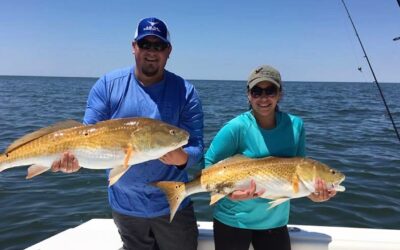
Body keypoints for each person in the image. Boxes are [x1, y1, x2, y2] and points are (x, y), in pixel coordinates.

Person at [51, 17, 203, 250]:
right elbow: (85, 136)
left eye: (159, 46)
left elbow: (196, 146)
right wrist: (73, 161)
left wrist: (182, 158)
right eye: (145, 45)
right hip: (125, 207)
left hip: (172, 205)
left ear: (168, 51)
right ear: (134, 47)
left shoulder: (186, 92)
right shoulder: (108, 85)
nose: (152, 52)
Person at [204, 65, 336, 250]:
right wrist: (231, 194)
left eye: (270, 91)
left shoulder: (295, 126)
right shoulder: (235, 128)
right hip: (233, 220)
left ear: (280, 93)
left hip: (275, 222)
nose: (263, 98)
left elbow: (299, 174)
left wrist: (314, 195)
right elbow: (209, 166)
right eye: (257, 91)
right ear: (248, 95)